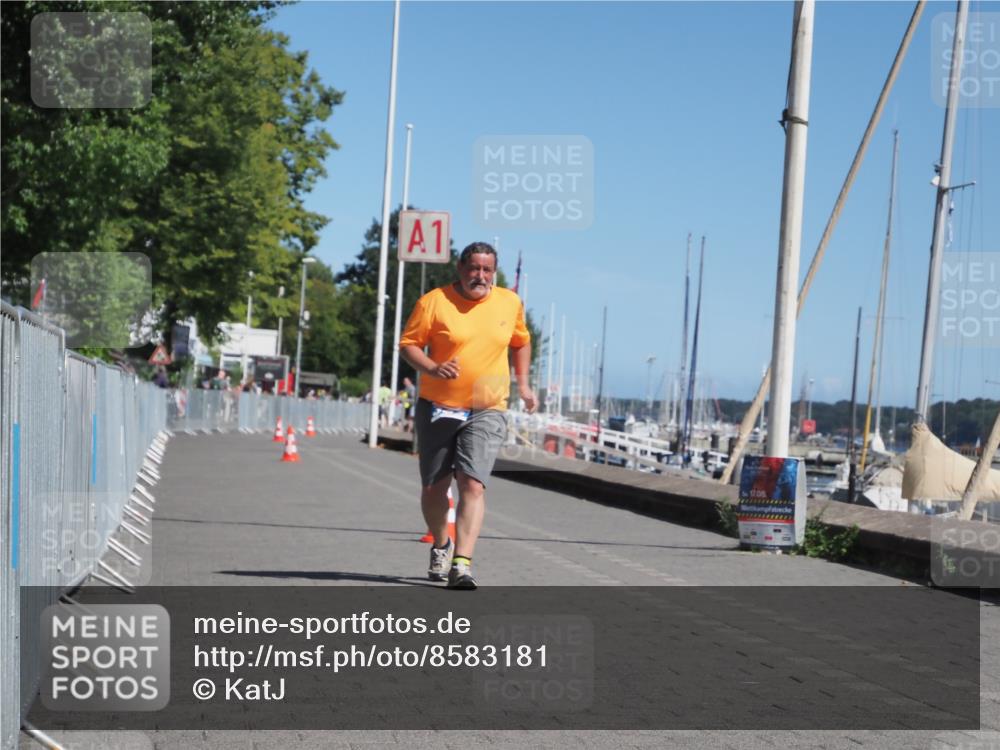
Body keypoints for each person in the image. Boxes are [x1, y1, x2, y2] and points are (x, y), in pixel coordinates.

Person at [400, 241, 536, 589]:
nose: (480, 275)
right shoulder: (434, 302)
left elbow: (521, 341)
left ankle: (462, 564)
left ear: (494, 272)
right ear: (460, 268)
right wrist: (432, 367)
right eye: (474, 268)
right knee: (434, 488)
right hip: (438, 406)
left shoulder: (509, 302)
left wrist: (524, 385)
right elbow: (409, 345)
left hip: (488, 407)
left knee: (472, 483)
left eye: (487, 269)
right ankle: (441, 544)